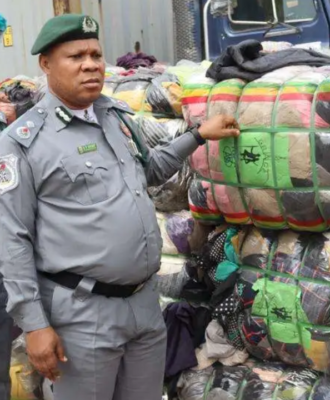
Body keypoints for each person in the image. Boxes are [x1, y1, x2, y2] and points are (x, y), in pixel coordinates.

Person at [0, 13, 240, 400]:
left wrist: (197, 136)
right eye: (76, 56)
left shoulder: (115, 119)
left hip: (143, 305)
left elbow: (149, 172)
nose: (91, 64)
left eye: (95, 54)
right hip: (82, 314)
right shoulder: (22, 143)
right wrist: (33, 325)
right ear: (46, 64)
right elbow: (11, 240)